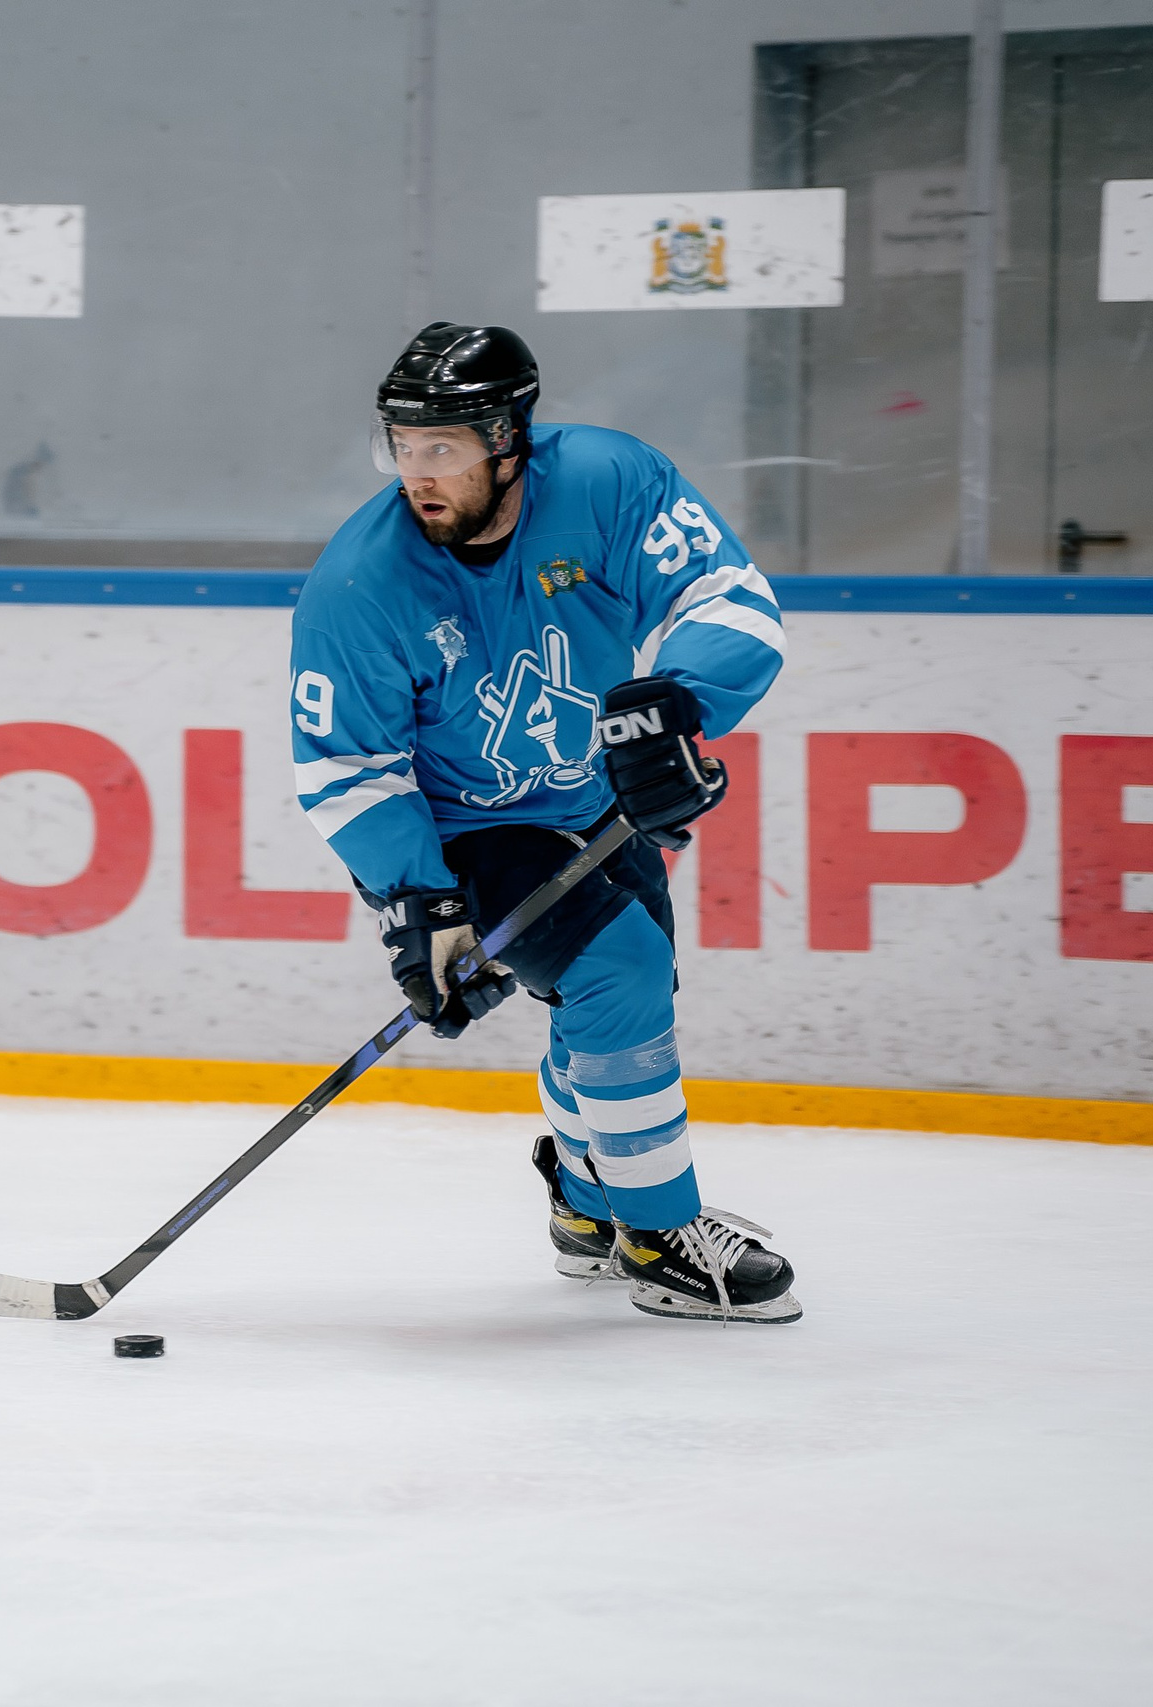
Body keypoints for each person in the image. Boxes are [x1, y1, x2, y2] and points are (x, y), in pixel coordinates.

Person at [288, 321, 799, 1324]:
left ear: (509, 437)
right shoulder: (357, 583)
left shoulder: (609, 482)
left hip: (598, 794)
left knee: (611, 1008)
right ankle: (659, 1235)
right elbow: (347, 768)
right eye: (401, 445)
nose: (416, 472)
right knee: (623, 976)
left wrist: (676, 704)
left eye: (442, 447)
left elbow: (727, 596)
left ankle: (582, 1201)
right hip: (469, 830)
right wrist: (422, 903)